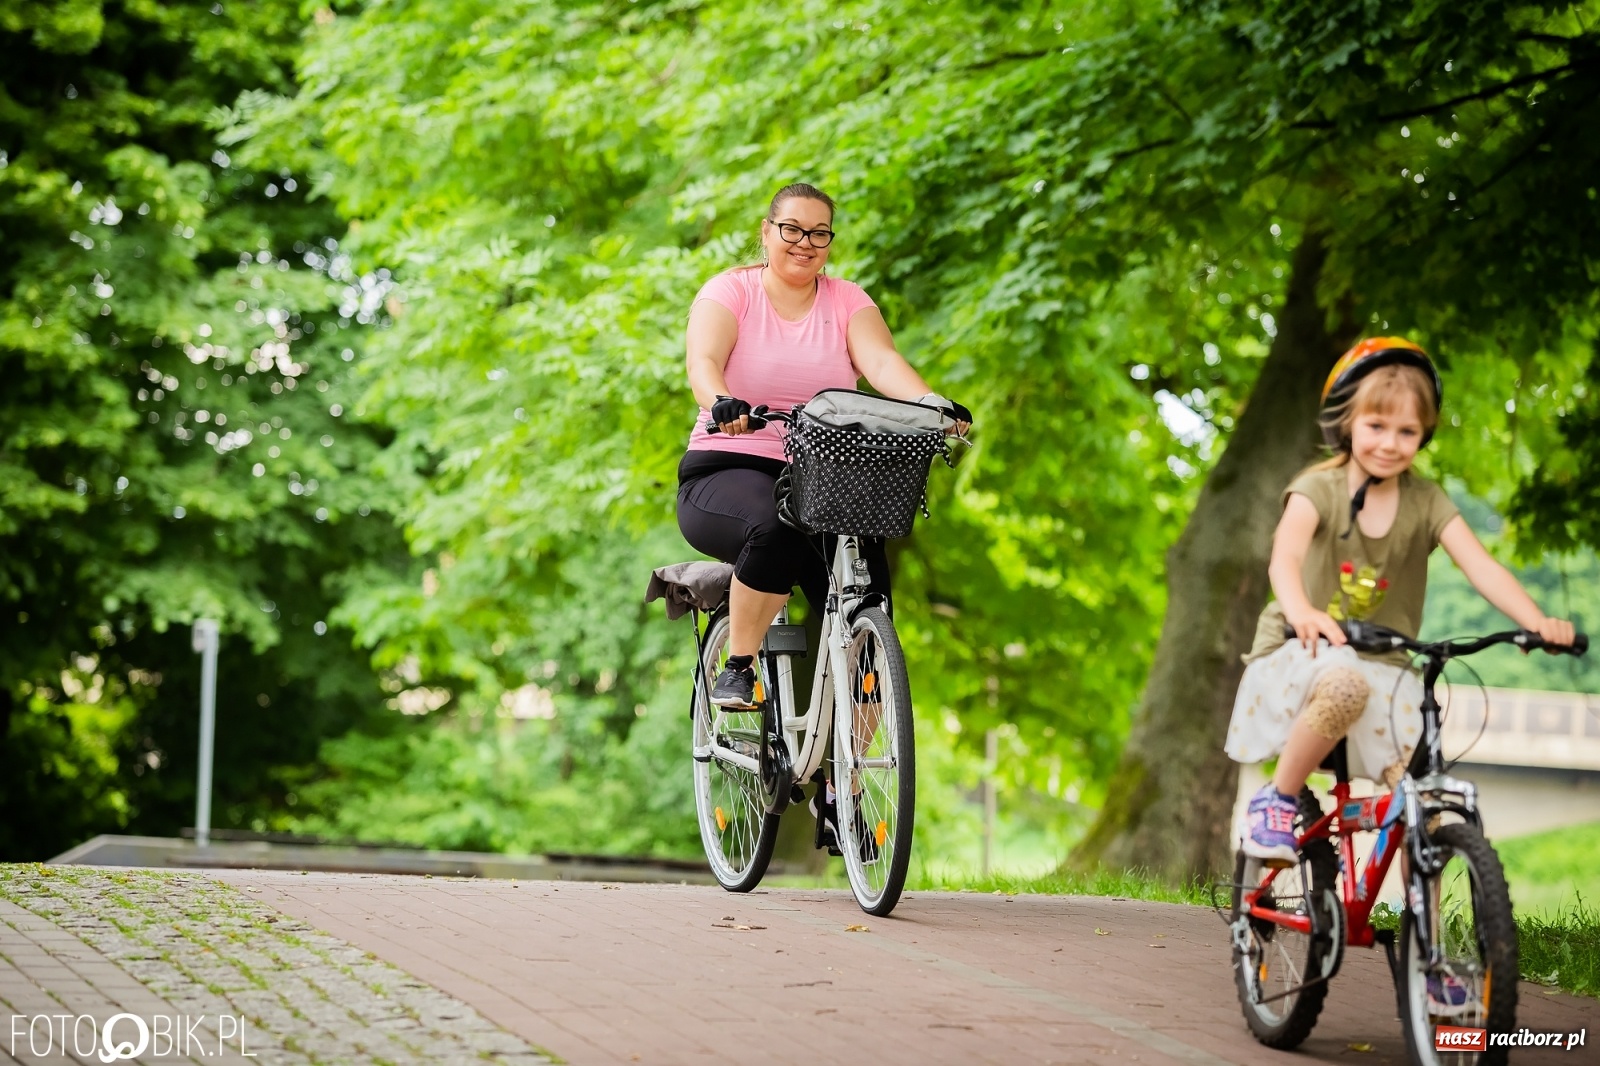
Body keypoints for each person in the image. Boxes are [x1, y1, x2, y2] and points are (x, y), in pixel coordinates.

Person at [676, 182, 968, 848]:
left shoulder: (847, 301)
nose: (805, 244)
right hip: (729, 467)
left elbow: (882, 361)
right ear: (766, 230)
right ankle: (740, 667)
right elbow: (704, 361)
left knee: (871, 597)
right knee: (772, 531)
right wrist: (722, 400)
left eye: (819, 233)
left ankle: (845, 790)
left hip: (827, 474)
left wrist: (933, 403)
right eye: (792, 230)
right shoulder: (731, 293)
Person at [1226, 337, 1575, 868]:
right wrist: (1301, 610)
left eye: (1407, 431)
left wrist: (1536, 623)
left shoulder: (1426, 500)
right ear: (1347, 422)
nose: (1390, 443)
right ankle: (1276, 797)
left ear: (1424, 434)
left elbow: (1478, 565)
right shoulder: (1317, 488)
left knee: (1422, 806)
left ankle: (1424, 941)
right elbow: (1284, 560)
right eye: (1376, 426)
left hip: (1387, 668)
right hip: (1307, 654)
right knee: (1346, 685)